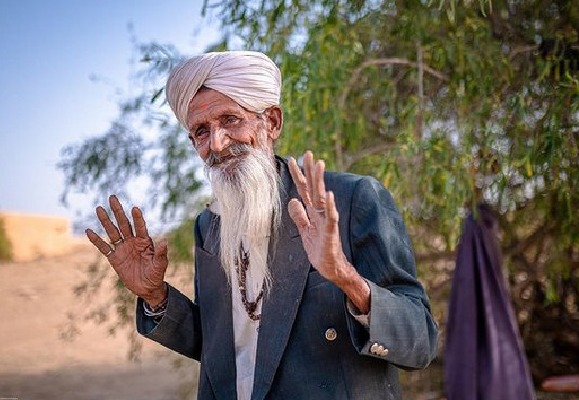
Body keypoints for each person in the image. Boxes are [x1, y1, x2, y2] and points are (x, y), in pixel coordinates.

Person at [86, 50, 438, 400]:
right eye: (201, 131)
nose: (217, 144)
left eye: (230, 120)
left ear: (271, 122)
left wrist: (346, 277)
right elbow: (223, 347)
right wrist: (156, 297)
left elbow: (421, 340)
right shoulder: (209, 225)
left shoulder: (349, 200)